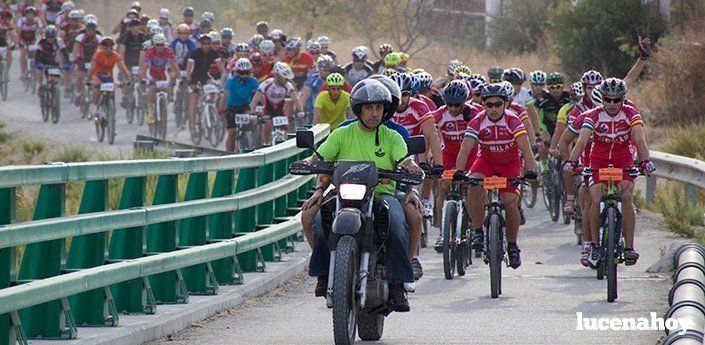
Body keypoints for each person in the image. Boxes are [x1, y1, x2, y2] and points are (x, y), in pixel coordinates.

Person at [301, 78, 421, 312]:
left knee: (397, 223)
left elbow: (406, 160)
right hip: (343, 194)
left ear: (385, 110)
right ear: (358, 110)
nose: (374, 113)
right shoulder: (342, 134)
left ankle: (398, 284)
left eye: (378, 108)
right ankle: (324, 274)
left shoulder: (393, 137)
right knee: (318, 221)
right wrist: (306, 162)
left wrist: (413, 168)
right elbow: (320, 157)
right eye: (368, 108)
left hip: (382, 195)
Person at [565, 78, 654, 267]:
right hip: (599, 160)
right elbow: (581, 141)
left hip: (623, 160)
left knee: (627, 197)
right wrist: (572, 161)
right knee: (596, 200)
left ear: (623, 99)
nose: (612, 104)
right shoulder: (593, 115)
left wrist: (645, 161)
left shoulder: (631, 113)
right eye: (607, 99)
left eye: (616, 100)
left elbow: (639, 138)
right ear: (602, 99)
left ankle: (629, 247)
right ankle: (595, 246)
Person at [455, 83, 537, 269]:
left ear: (505, 104)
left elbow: (525, 148)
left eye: (498, 104)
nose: (493, 108)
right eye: (489, 104)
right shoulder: (477, 120)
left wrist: (530, 171)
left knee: (509, 202)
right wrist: (460, 172)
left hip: (510, 164)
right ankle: (478, 231)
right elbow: (466, 147)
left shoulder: (513, 120)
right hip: (485, 162)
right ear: (483, 104)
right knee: (473, 186)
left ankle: (513, 245)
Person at [432, 80, 482, 246]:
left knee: (477, 188)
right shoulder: (439, 115)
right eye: (449, 104)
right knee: (443, 187)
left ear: (465, 101)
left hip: (472, 156)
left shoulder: (475, 112)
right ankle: (441, 234)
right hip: (450, 156)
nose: (453, 109)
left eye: (457, 105)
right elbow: (430, 136)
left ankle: (478, 229)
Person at [248, 62, 304, 145]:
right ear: (277, 75)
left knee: (287, 128)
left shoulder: (288, 86)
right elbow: (256, 98)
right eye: (285, 79)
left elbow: (295, 99)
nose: (287, 81)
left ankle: (284, 144)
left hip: (279, 110)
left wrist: (300, 111)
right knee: (267, 124)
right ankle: (266, 144)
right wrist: (252, 112)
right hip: (268, 109)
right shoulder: (267, 83)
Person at [534, 72, 571, 175]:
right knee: (542, 140)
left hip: (565, 128)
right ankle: (544, 163)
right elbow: (537, 119)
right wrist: (542, 132)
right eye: (552, 87)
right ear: (548, 88)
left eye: (558, 87)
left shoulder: (569, 99)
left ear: (563, 87)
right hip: (548, 129)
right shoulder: (542, 101)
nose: (555, 90)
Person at [220, 58, 259, 152]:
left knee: (253, 123)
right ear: (237, 72)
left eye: (247, 72)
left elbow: (259, 96)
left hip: (245, 106)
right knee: (232, 132)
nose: (244, 75)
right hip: (232, 107)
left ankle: (251, 142)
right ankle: (229, 155)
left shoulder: (254, 81)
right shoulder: (231, 81)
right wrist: (221, 109)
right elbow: (225, 95)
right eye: (242, 72)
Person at [186, 34, 224, 128]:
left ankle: (211, 109)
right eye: (204, 43)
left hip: (205, 76)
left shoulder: (213, 52)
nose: (206, 46)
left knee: (212, 88)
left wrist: (224, 79)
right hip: (194, 77)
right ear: (200, 44)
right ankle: (192, 125)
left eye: (208, 43)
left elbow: (221, 68)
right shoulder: (195, 52)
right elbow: (188, 69)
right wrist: (190, 82)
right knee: (193, 99)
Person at [141, 33, 178, 124]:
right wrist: (144, 77)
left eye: (162, 45)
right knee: (152, 88)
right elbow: (145, 66)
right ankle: (150, 111)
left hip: (162, 72)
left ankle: (164, 105)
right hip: (152, 72)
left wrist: (177, 74)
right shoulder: (150, 51)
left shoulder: (169, 50)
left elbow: (174, 65)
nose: (160, 47)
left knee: (169, 87)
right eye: (158, 45)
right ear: (154, 45)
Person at [88, 37, 131, 110]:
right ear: (103, 48)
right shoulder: (98, 54)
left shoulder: (115, 55)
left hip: (108, 77)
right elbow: (92, 69)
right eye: (106, 48)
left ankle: (111, 110)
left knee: (112, 93)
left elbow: (123, 69)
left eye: (110, 48)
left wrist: (128, 79)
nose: (108, 50)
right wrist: (88, 80)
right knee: (98, 89)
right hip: (97, 75)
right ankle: (95, 108)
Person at [71, 19, 101, 107]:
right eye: (88, 30)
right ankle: (78, 94)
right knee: (79, 76)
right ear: (86, 29)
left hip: (93, 60)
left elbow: (99, 50)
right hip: (82, 59)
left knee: (97, 77)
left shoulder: (99, 38)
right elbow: (75, 49)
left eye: (92, 30)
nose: (90, 32)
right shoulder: (80, 37)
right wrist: (74, 58)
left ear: (95, 30)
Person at [34, 25, 68, 94]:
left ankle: (55, 93)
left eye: (52, 37)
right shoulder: (41, 42)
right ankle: (40, 86)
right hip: (44, 60)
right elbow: (37, 55)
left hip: (54, 61)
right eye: (48, 37)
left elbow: (65, 53)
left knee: (55, 79)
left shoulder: (59, 41)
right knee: (39, 70)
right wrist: (37, 63)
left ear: (55, 36)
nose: (50, 39)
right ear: (45, 36)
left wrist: (68, 63)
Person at [16, 6, 42, 78]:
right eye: (29, 14)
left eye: (32, 14)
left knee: (34, 52)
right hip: (23, 37)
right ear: (26, 15)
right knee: (23, 52)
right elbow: (18, 32)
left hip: (32, 37)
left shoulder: (37, 20)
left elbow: (41, 31)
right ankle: (22, 71)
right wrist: (17, 42)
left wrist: (41, 40)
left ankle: (33, 66)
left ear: (35, 15)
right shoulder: (21, 20)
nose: (30, 16)